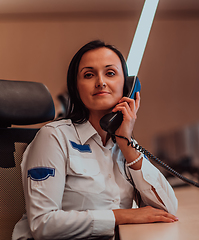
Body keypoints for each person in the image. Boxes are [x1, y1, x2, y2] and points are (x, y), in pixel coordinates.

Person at [12, 40, 178, 240]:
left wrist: (127, 146)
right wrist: (120, 216)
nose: (101, 82)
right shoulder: (54, 137)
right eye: (89, 75)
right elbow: (43, 224)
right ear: (76, 87)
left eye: (110, 73)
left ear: (127, 87)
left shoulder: (123, 145)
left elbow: (167, 209)